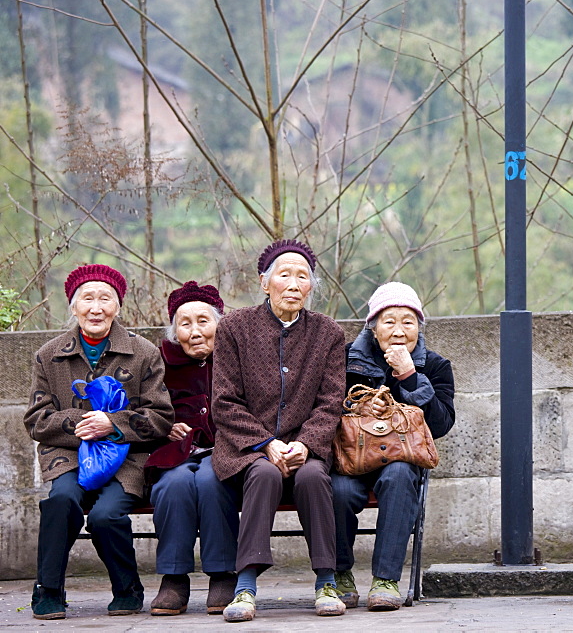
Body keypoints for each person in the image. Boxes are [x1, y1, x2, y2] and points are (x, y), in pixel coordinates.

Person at [24, 264, 174, 620]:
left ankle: (127, 587)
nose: (96, 307)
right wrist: (82, 422)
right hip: (70, 456)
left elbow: (162, 417)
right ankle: (48, 588)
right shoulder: (49, 354)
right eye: (86, 298)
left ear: (118, 306)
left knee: (106, 515)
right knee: (61, 500)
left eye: (105, 298)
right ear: (73, 307)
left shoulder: (143, 353)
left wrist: (112, 423)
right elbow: (36, 418)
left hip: (127, 458)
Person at [210, 240, 347, 622]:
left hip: (307, 448)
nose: (293, 283)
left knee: (315, 475)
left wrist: (305, 444)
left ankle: (326, 580)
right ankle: (245, 586)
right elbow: (224, 401)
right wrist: (266, 443)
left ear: (310, 287)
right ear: (264, 282)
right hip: (247, 449)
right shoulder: (235, 327)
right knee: (265, 472)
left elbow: (330, 402)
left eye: (302, 277)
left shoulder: (328, 333)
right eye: (283, 274)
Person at [331, 282, 455, 611]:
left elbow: (441, 425)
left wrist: (410, 376)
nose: (399, 331)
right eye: (389, 321)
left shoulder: (436, 366)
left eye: (408, 322)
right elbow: (322, 409)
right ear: (372, 327)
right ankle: (340, 573)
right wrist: (356, 409)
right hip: (352, 460)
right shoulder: (345, 360)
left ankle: (386, 580)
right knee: (339, 491)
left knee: (400, 476)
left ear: (419, 326)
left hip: (400, 462)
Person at [144, 281, 238, 616]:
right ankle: (173, 577)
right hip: (175, 452)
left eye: (204, 321)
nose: (195, 331)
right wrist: (164, 425)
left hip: (227, 449)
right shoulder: (157, 362)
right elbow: (141, 408)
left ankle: (223, 573)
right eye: (185, 324)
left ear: (219, 324)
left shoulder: (237, 357)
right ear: (174, 331)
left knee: (213, 482)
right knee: (174, 484)